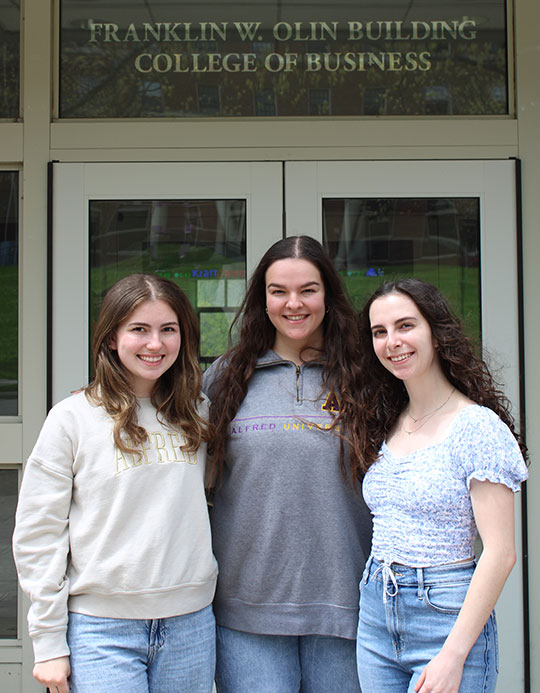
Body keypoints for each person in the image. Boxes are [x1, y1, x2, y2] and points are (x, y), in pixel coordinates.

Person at [13, 274, 218, 693]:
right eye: (138, 329)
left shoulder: (199, 413)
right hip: (101, 630)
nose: (155, 344)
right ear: (110, 338)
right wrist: (49, 641)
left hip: (191, 623)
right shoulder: (72, 419)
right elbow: (39, 533)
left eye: (168, 330)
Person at [203, 235, 372, 693]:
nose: (293, 303)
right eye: (278, 291)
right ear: (263, 299)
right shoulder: (226, 377)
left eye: (308, 290)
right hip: (245, 611)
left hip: (347, 609)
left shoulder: (368, 379)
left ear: (329, 296)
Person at [354, 278, 528, 693]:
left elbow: (501, 553)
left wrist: (453, 655)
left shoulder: (476, 427)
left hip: (445, 616)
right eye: (380, 332)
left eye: (405, 326)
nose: (392, 341)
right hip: (376, 613)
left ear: (436, 330)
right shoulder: (388, 421)